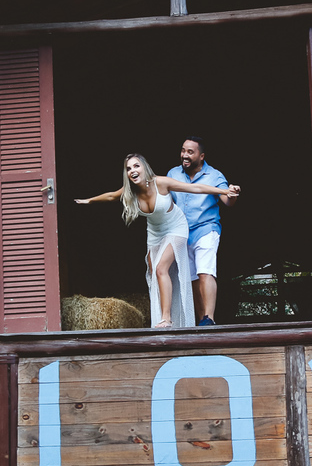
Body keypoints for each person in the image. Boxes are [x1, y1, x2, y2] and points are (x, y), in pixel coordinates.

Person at [76, 154, 237, 328]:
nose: (133, 171)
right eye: (129, 168)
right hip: (155, 233)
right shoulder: (130, 191)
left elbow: (195, 188)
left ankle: (166, 319)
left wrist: (224, 191)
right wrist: (89, 200)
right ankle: (163, 315)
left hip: (176, 227)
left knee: (161, 268)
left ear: (144, 167)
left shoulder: (160, 182)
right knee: (154, 273)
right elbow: (110, 197)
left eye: (136, 166)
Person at [167, 137, 241, 326]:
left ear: (201, 156)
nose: (185, 155)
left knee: (205, 271)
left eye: (190, 152)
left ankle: (210, 317)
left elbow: (227, 201)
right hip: (182, 233)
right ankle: (202, 320)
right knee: (191, 277)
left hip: (207, 228)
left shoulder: (214, 175)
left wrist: (232, 193)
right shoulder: (173, 173)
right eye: (183, 150)